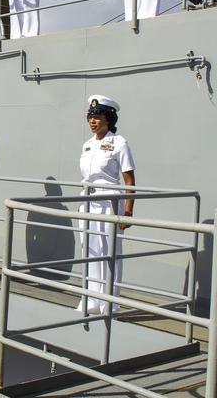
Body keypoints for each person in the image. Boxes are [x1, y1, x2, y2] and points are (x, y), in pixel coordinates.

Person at [77, 95, 136, 315]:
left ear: (108, 118)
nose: (93, 121)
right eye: (90, 117)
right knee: (90, 251)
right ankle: (91, 298)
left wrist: (128, 210)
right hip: (87, 202)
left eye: (98, 117)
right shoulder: (87, 145)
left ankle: (110, 301)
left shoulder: (119, 143)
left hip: (109, 203)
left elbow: (129, 180)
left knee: (109, 252)